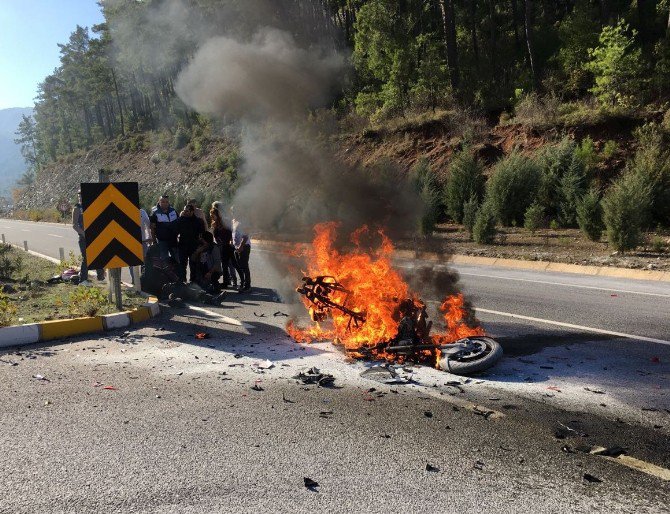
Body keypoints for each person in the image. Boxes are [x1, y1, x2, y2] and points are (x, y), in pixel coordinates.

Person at [72, 190, 104, 286]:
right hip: (83, 238)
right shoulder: (77, 208)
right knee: (86, 258)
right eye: (79, 196)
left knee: (98, 256)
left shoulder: (91, 206)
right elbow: (74, 225)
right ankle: (83, 280)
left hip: (94, 236)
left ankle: (101, 278)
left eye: (82, 196)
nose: (80, 198)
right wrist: (84, 234)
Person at [176, 204, 204, 282]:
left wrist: (200, 247)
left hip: (194, 247)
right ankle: (183, 282)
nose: (185, 212)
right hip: (182, 246)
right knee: (182, 265)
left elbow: (202, 235)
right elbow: (175, 231)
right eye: (184, 210)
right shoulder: (180, 220)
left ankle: (193, 282)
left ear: (192, 211)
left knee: (193, 265)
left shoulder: (198, 221)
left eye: (187, 211)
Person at [210, 207, 236, 288]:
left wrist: (230, 242)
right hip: (220, 246)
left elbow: (230, 232)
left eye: (213, 215)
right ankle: (226, 281)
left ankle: (234, 280)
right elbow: (215, 236)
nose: (212, 217)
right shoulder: (214, 224)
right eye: (211, 216)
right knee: (224, 265)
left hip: (227, 245)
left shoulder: (224, 222)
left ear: (217, 215)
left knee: (230, 264)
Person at [150, 195, 179, 262]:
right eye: (162, 202)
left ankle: (176, 272)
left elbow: (178, 223)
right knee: (164, 260)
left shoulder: (173, 211)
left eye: (166, 202)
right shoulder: (155, 212)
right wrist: (154, 241)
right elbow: (152, 228)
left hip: (173, 240)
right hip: (162, 241)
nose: (165, 203)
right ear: (159, 202)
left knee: (176, 259)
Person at [129, 207, 153, 285]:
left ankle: (144, 280)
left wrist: (149, 237)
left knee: (145, 262)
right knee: (133, 263)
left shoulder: (142, 212)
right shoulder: (125, 209)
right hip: (131, 241)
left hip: (143, 240)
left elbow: (148, 225)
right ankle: (135, 281)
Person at [232, 215, 251, 292]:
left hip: (244, 246)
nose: (234, 213)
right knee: (239, 266)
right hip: (236, 247)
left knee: (244, 267)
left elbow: (246, 235)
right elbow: (234, 233)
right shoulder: (233, 221)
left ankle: (247, 286)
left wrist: (241, 245)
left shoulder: (243, 221)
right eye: (233, 211)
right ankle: (242, 284)